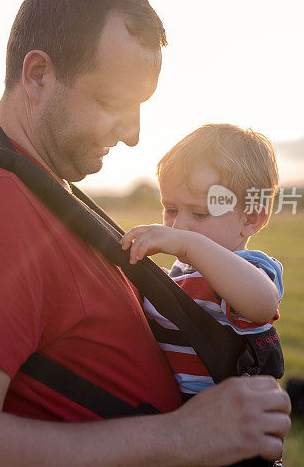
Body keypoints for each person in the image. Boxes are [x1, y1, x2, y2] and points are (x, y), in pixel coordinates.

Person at [0, 0, 291, 465]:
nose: (133, 134)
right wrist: (183, 436)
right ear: (38, 75)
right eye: (112, 101)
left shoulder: (40, 187)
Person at [120, 124, 284, 398]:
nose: (179, 224)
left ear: (250, 219)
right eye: (170, 210)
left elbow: (263, 305)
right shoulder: (182, 272)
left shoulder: (249, 268)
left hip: (232, 418)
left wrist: (190, 243)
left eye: (199, 214)